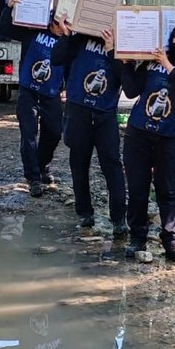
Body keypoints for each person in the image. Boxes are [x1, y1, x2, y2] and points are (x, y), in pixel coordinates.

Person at [120, 23, 175, 262]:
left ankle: (171, 241)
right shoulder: (150, 63)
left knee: (167, 191)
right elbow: (130, 90)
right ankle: (137, 237)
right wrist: (126, 61)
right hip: (138, 135)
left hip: (169, 140)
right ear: (171, 39)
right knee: (137, 189)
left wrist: (167, 65)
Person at [52, 19, 129, 236]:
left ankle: (119, 219)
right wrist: (66, 35)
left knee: (112, 166)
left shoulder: (120, 44)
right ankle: (85, 212)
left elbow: (127, 79)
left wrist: (111, 48)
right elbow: (56, 58)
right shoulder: (78, 39)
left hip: (105, 114)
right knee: (79, 163)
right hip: (78, 110)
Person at [0, 0, 66, 197]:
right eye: (56, 24)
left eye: (63, 25)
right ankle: (33, 177)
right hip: (29, 91)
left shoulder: (68, 42)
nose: (60, 28)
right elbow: (4, 30)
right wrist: (9, 7)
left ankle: (41, 164)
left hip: (51, 94)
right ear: (50, 22)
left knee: (54, 133)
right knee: (28, 135)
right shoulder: (33, 33)